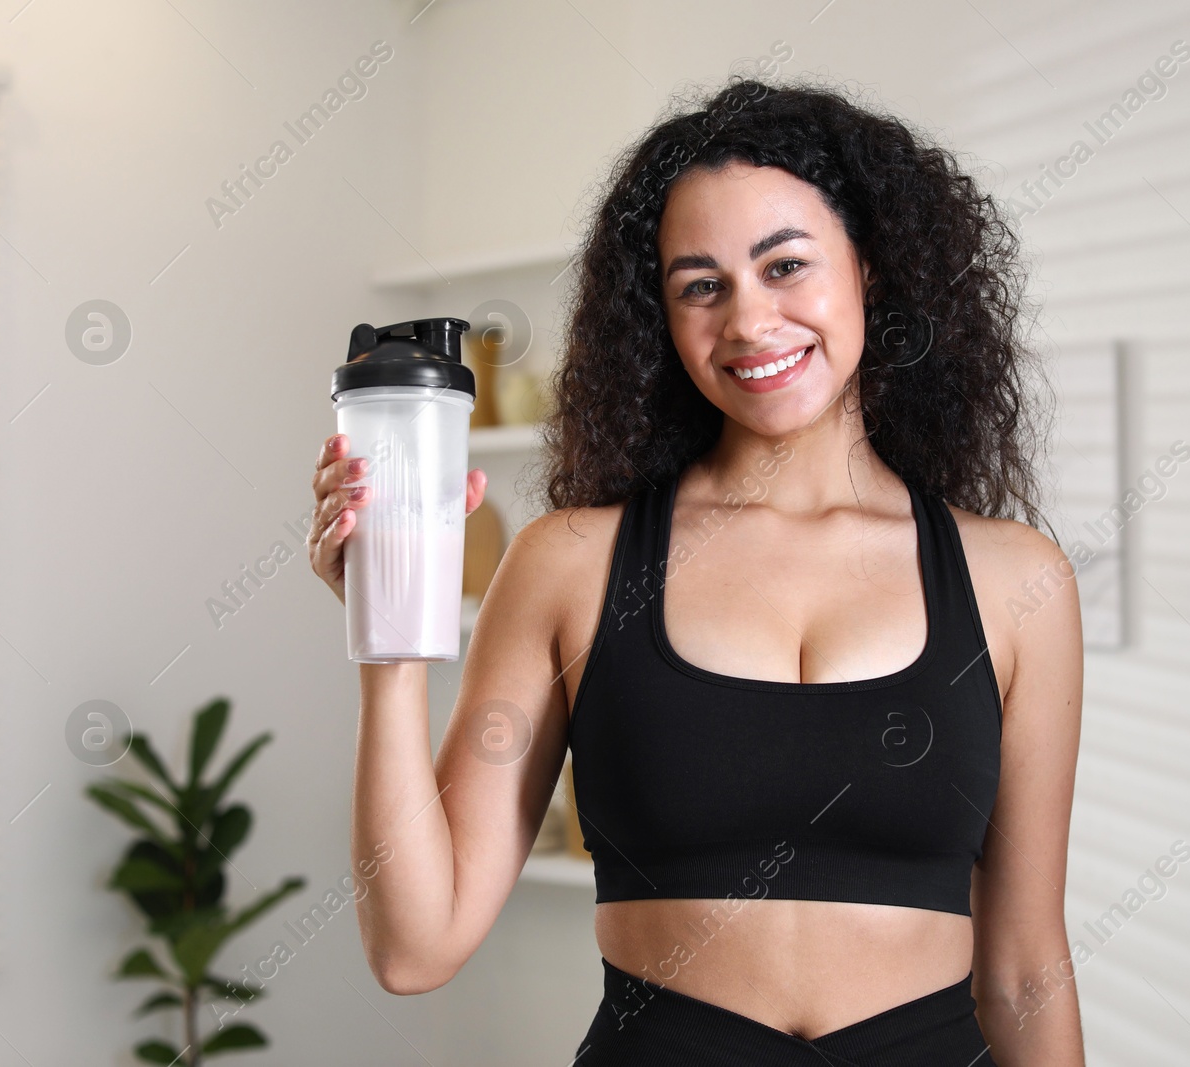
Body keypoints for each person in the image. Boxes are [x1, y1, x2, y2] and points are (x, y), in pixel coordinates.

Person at [309, 75, 1084, 1066]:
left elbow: (1024, 968)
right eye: (701, 286)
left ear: (872, 271)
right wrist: (386, 634)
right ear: (659, 319)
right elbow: (415, 947)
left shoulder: (1017, 583)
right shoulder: (571, 565)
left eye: (785, 266)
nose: (750, 322)